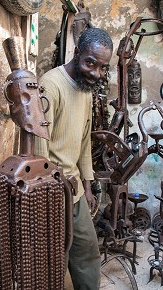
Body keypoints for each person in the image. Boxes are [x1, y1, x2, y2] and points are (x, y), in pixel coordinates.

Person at [35, 27, 113, 290]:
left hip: (76, 190)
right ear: (77, 52)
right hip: (53, 190)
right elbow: (39, 147)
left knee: (87, 253)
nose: (95, 73)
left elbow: (83, 141)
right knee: (54, 260)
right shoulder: (50, 84)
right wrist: (50, 190)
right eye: (91, 63)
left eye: (102, 68)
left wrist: (87, 185)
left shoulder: (86, 89)